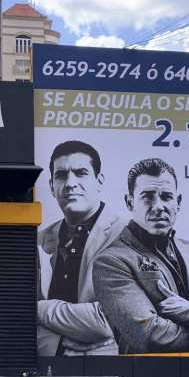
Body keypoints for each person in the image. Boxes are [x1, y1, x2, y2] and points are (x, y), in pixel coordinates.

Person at [91, 157, 189, 353]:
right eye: (148, 196)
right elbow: (149, 336)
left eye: (166, 196)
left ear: (178, 202)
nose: (158, 206)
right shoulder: (111, 262)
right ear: (130, 202)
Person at [37, 140, 126, 356]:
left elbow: (111, 319)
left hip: (113, 371)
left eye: (81, 173)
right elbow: (17, 322)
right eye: (61, 175)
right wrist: (57, 346)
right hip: (50, 369)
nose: (70, 183)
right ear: (51, 186)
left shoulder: (128, 237)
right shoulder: (38, 240)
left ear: (99, 181)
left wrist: (35, 308)